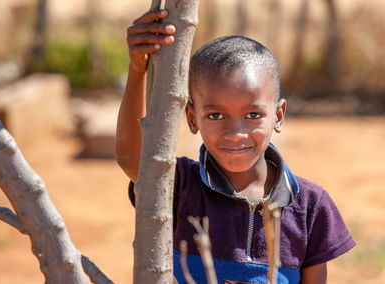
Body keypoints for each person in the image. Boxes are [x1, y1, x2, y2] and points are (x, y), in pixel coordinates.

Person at [116, 8, 355, 284]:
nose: (236, 133)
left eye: (253, 115)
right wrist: (137, 69)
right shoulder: (182, 186)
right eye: (216, 116)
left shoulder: (311, 207)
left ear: (278, 116)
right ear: (192, 118)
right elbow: (134, 161)